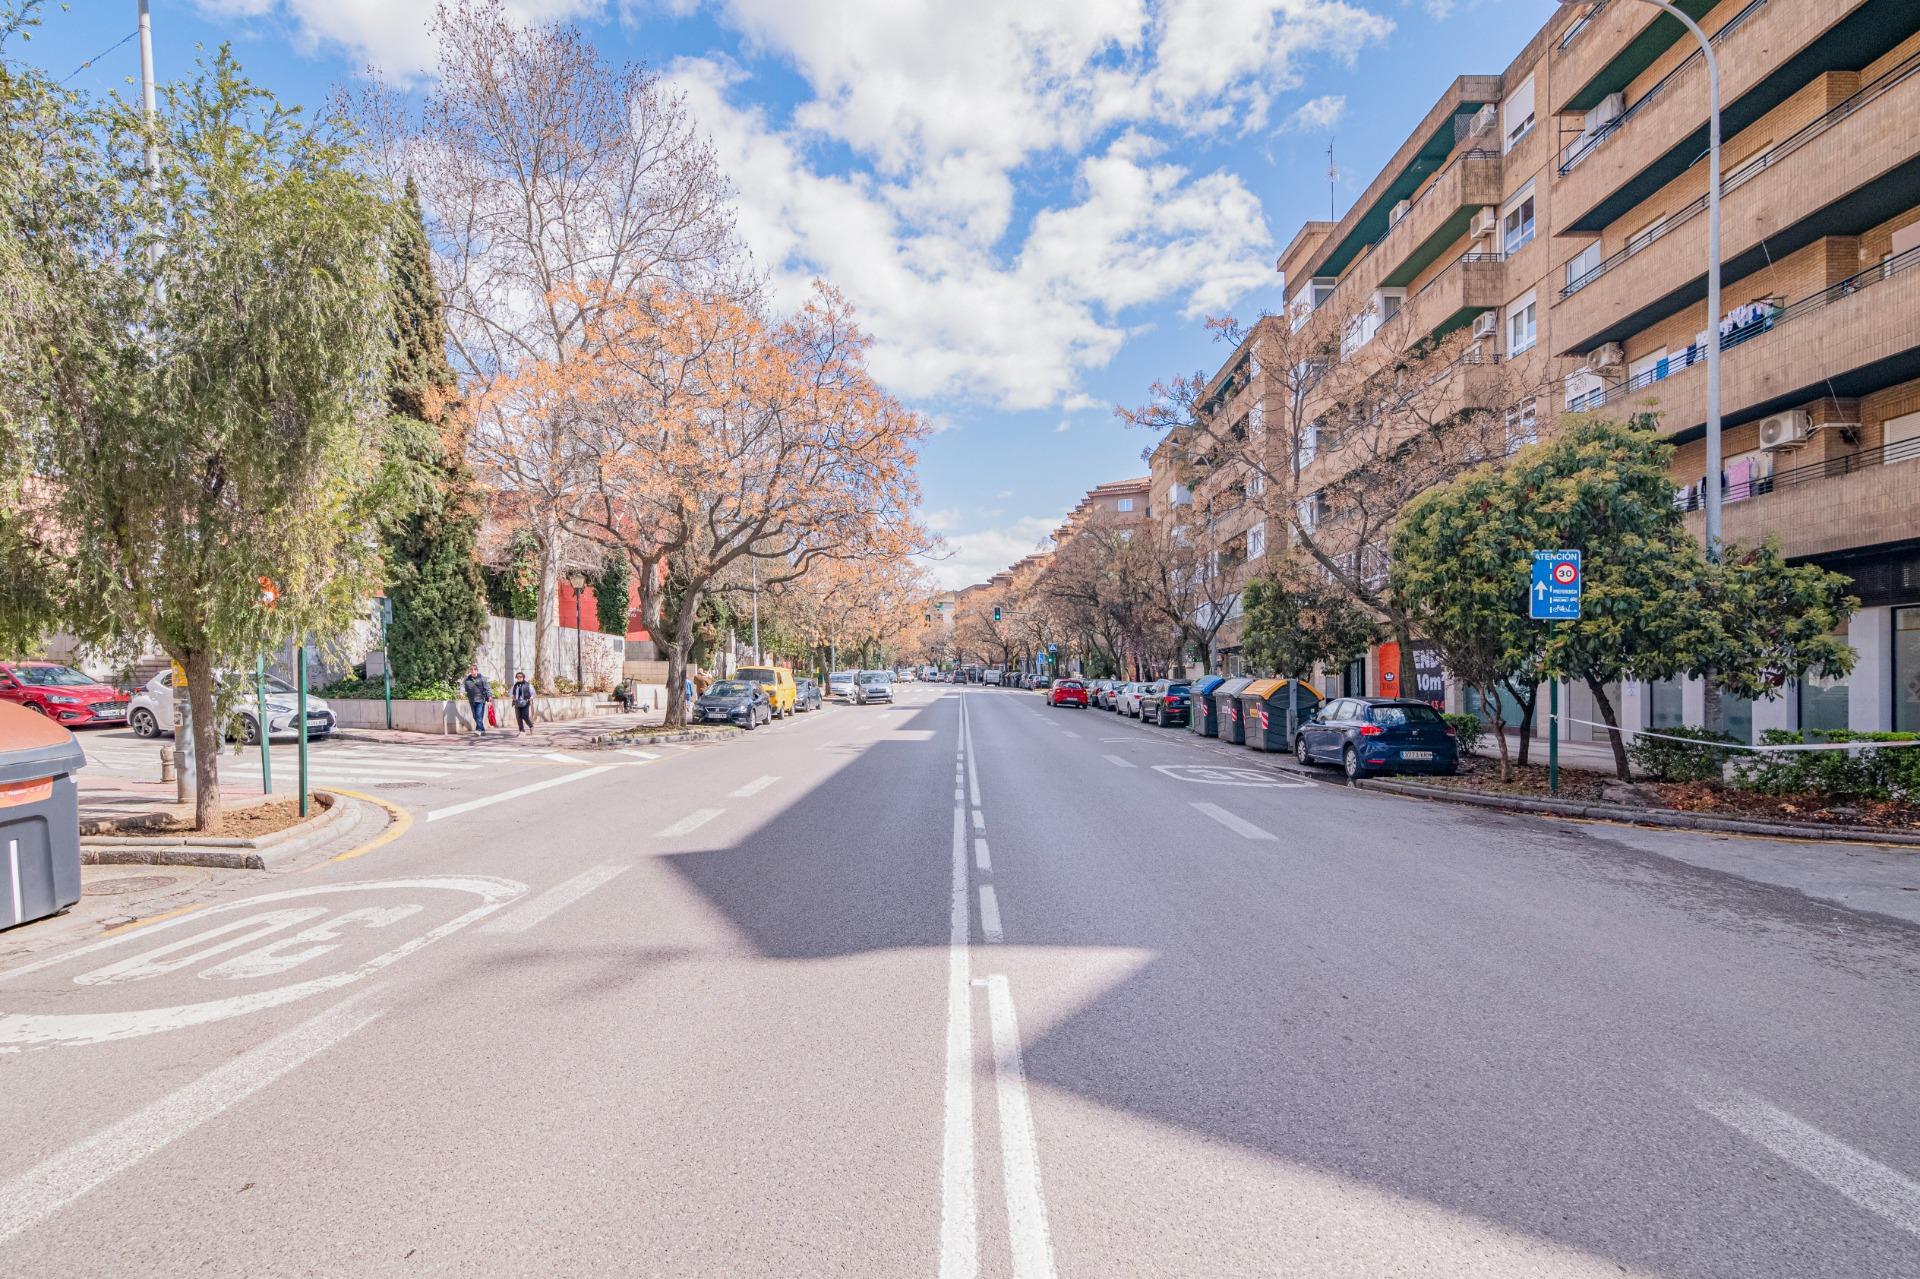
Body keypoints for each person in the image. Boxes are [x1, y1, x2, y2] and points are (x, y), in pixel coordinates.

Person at [462, 665, 491, 735]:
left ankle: (478, 730)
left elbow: (487, 688)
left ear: (477, 670)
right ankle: (482, 730)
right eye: (471, 670)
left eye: (474, 669)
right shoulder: (467, 679)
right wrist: (461, 692)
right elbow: (462, 685)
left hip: (480, 699)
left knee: (478, 715)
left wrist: (489, 697)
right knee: (475, 716)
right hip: (471, 700)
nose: (472, 671)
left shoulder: (482, 678)